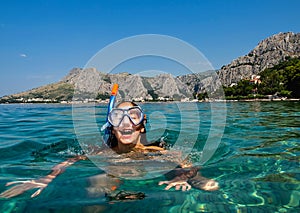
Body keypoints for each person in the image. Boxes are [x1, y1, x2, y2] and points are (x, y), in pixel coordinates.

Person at [0, 101, 218, 199]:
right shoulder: (102, 150)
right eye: (117, 117)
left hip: (154, 167)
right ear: (112, 128)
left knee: (208, 185)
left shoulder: (156, 149)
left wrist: (183, 176)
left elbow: (186, 161)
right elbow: (71, 160)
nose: (125, 122)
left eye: (132, 116)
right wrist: (46, 178)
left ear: (141, 125)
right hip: (114, 169)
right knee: (96, 186)